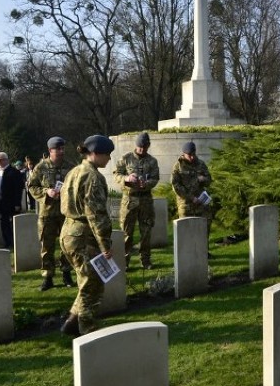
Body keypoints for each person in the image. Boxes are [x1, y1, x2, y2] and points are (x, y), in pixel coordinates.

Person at [59, 135, 115, 337]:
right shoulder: (93, 177)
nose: (109, 158)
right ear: (95, 154)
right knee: (93, 285)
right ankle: (88, 331)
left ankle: (72, 322)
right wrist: (105, 245)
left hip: (69, 232)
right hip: (84, 236)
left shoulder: (74, 171)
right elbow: (96, 214)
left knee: (85, 281)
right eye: (107, 154)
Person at [28, 137, 77, 291]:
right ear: (50, 151)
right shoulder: (40, 167)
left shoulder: (70, 167)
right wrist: (46, 192)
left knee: (66, 245)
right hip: (47, 214)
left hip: (65, 213)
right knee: (46, 246)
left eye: (63, 149)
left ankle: (66, 274)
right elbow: (31, 186)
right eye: (58, 149)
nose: (61, 152)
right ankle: (48, 277)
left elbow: (76, 186)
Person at [113, 132, 160, 270]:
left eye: (145, 147)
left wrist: (146, 184)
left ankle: (145, 260)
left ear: (148, 146)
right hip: (130, 199)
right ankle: (125, 261)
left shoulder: (152, 161)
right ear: (136, 145)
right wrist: (126, 179)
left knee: (146, 232)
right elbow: (116, 174)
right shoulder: (126, 159)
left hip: (145, 199)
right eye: (140, 147)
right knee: (127, 232)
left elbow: (155, 178)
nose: (142, 150)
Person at [171, 141, 213, 250]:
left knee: (205, 226)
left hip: (201, 201)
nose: (192, 157)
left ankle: (203, 251)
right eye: (189, 155)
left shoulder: (201, 164)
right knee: (185, 229)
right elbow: (176, 186)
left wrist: (204, 179)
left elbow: (209, 180)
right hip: (186, 203)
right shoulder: (178, 167)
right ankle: (186, 252)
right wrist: (190, 197)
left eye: (193, 154)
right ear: (184, 154)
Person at [0, 151, 25, 248]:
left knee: (12, 225)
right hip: (2, 204)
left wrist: (17, 204)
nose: (0, 162)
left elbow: (18, 190)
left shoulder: (14, 172)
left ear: (7, 160)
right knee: (4, 224)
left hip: (12, 204)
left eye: (2, 160)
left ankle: (14, 243)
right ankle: (7, 242)